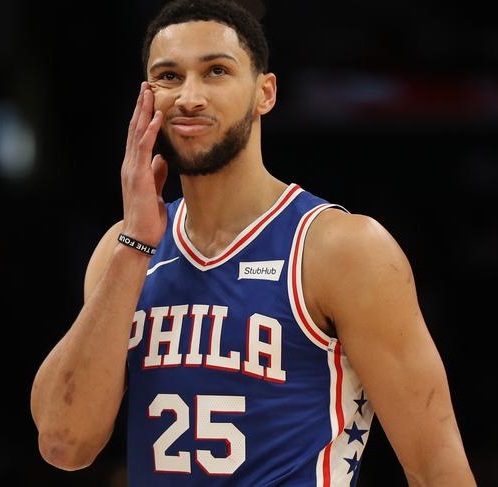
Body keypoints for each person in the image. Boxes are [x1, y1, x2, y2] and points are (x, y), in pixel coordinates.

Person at [30, 0, 476, 485]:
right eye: (169, 76)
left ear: (265, 92)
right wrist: (134, 242)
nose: (190, 97)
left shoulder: (341, 247)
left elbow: (436, 465)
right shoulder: (123, 252)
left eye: (216, 71)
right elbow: (63, 444)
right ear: (147, 96)